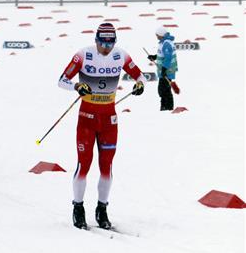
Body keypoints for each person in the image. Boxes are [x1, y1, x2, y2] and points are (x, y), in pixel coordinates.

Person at [58, 22, 146, 230]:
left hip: (109, 121)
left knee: (106, 168)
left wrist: (139, 84)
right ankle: (78, 208)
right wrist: (77, 86)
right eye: (102, 43)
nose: (106, 48)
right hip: (86, 120)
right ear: (95, 40)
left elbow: (140, 76)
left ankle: (102, 209)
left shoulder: (121, 55)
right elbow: (62, 80)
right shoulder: (83, 56)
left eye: (110, 43)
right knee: (84, 165)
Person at [147, 26, 178, 111]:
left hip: (167, 70)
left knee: (163, 90)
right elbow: (163, 55)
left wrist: (164, 69)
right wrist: (154, 57)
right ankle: (165, 107)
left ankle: (167, 108)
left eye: (157, 35)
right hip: (165, 70)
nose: (156, 37)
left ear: (161, 35)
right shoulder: (163, 42)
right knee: (164, 90)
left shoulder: (166, 43)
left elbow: (168, 58)